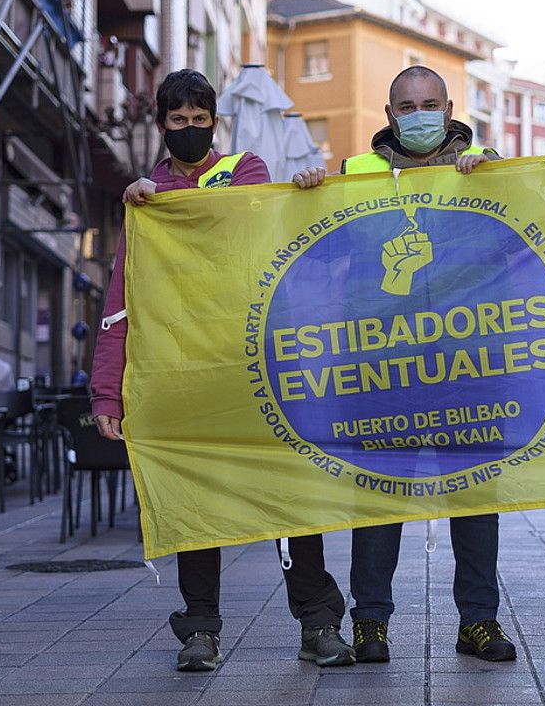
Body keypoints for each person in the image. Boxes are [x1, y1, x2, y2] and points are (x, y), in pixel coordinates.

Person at [93, 68, 354, 673]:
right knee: (190, 506)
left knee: (291, 500)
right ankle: (200, 630)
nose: (190, 129)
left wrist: (308, 189)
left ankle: (318, 623)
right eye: (178, 120)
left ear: (216, 122)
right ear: (162, 125)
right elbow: (120, 302)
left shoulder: (246, 172)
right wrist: (108, 392)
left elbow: (255, 226)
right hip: (183, 379)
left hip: (257, 372)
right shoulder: (145, 200)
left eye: (199, 119)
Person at [291, 65, 515, 664]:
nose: (418, 113)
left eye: (429, 102)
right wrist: (307, 197)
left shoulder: (488, 165)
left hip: (468, 367)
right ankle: (370, 623)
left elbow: (534, 235)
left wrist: (501, 186)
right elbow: (312, 249)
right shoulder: (356, 176)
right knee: (380, 498)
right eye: (406, 105)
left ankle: (479, 622)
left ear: (449, 106)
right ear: (389, 115)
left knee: (473, 498)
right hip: (381, 368)